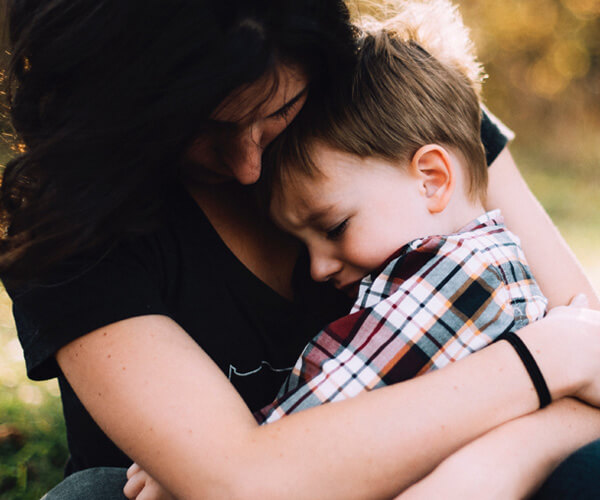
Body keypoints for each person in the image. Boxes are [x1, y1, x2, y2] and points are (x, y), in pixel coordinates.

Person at [0, 1, 599, 499]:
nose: (246, 168)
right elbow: (240, 482)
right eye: (197, 132)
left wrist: (499, 462)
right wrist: (545, 360)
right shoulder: (66, 215)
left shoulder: (397, 112)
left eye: (277, 112)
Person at [255, 6, 549, 423]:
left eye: (335, 227)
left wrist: (201, 464)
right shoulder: (478, 263)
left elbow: (325, 412)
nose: (318, 268)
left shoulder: (461, 275)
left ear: (431, 179)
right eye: (303, 245)